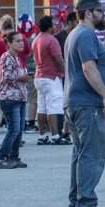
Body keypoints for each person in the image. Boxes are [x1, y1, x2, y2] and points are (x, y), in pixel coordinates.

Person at [63, 0, 105, 207]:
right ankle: (86, 205)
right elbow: (88, 68)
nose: (103, 14)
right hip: (87, 103)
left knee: (81, 154)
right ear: (88, 13)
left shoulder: (75, 34)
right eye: (100, 11)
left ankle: (78, 203)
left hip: (76, 102)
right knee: (91, 155)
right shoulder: (85, 34)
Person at [0, 31, 31, 169]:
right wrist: (21, 77)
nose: (21, 43)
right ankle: (2, 157)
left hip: (20, 98)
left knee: (19, 130)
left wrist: (25, 77)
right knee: (14, 129)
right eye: (17, 41)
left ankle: (13, 157)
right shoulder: (6, 57)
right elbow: (5, 77)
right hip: (10, 98)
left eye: (22, 40)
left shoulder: (17, 58)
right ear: (9, 43)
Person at [33, 16, 66, 145]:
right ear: (49, 26)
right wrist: (66, 72)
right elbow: (58, 59)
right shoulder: (52, 40)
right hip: (51, 77)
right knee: (53, 107)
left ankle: (42, 136)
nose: (54, 27)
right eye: (52, 25)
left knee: (41, 107)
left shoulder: (36, 40)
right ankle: (55, 135)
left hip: (39, 76)